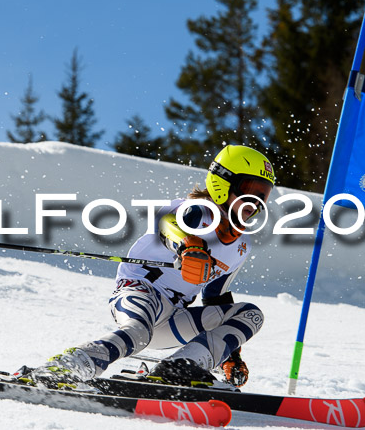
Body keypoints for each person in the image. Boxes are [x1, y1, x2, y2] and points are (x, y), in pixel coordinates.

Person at [15, 144, 275, 387]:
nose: (256, 203)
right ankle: (66, 367)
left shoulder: (242, 246)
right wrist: (188, 246)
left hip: (173, 316)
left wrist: (230, 353)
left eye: (263, 195)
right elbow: (168, 224)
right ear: (222, 182)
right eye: (250, 190)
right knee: (138, 333)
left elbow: (215, 298)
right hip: (139, 292)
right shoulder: (194, 212)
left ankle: (180, 368)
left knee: (251, 314)